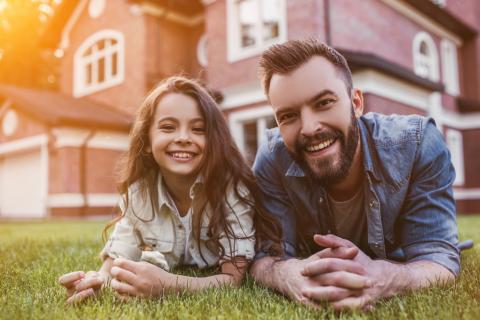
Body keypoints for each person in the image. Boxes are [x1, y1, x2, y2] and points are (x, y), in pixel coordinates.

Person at [250, 39, 460, 310]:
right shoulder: (272, 158)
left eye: (324, 102)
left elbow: (439, 259)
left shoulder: (418, 144)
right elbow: (265, 259)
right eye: (288, 116)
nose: (310, 128)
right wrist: (288, 275)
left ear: (356, 102)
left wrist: (386, 277)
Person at [59, 76, 281, 304]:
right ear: (146, 140)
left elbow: (232, 280)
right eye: (168, 127)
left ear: (214, 140)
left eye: (198, 129)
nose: (183, 138)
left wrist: (168, 285)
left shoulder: (232, 190)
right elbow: (117, 259)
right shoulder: (140, 192)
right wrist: (98, 282)